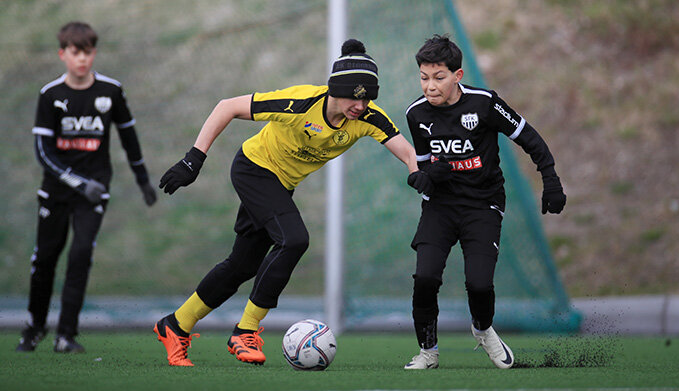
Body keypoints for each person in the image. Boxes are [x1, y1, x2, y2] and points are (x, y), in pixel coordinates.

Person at [153, 38, 418, 367]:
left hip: (281, 185)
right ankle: (245, 331)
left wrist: (416, 172)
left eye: (367, 99)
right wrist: (194, 159)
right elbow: (227, 106)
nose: (360, 106)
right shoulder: (300, 102)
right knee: (294, 240)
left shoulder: (367, 118)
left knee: (242, 265)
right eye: (355, 97)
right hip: (254, 170)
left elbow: (406, 150)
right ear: (336, 89)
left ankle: (176, 326)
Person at [403, 34, 566, 369]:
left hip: (483, 204)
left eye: (438, 77)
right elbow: (423, 166)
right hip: (440, 207)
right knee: (426, 278)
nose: (430, 86)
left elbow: (528, 136)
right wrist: (428, 176)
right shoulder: (416, 115)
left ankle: (482, 329)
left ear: (457, 75)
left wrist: (550, 179)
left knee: (479, 283)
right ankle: (428, 352)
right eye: (423, 78)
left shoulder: (484, 103)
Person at [16, 21, 157, 354]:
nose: (82, 59)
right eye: (75, 53)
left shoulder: (110, 91)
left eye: (88, 52)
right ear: (62, 54)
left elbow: (129, 138)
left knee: (80, 255)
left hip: (95, 191)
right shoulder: (50, 95)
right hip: (58, 191)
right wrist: (77, 182)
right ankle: (35, 326)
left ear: (94, 53)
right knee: (45, 259)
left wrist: (143, 181)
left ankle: (66, 335)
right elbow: (43, 152)